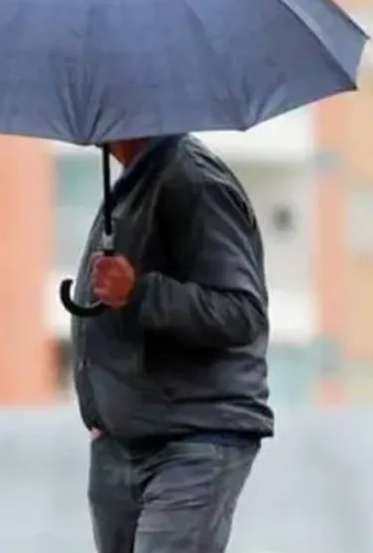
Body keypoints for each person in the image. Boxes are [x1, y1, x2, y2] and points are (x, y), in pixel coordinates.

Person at [71, 133, 272, 553]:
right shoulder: (134, 182)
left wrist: (140, 292)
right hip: (123, 440)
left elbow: (241, 313)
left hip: (191, 441)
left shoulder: (193, 180)